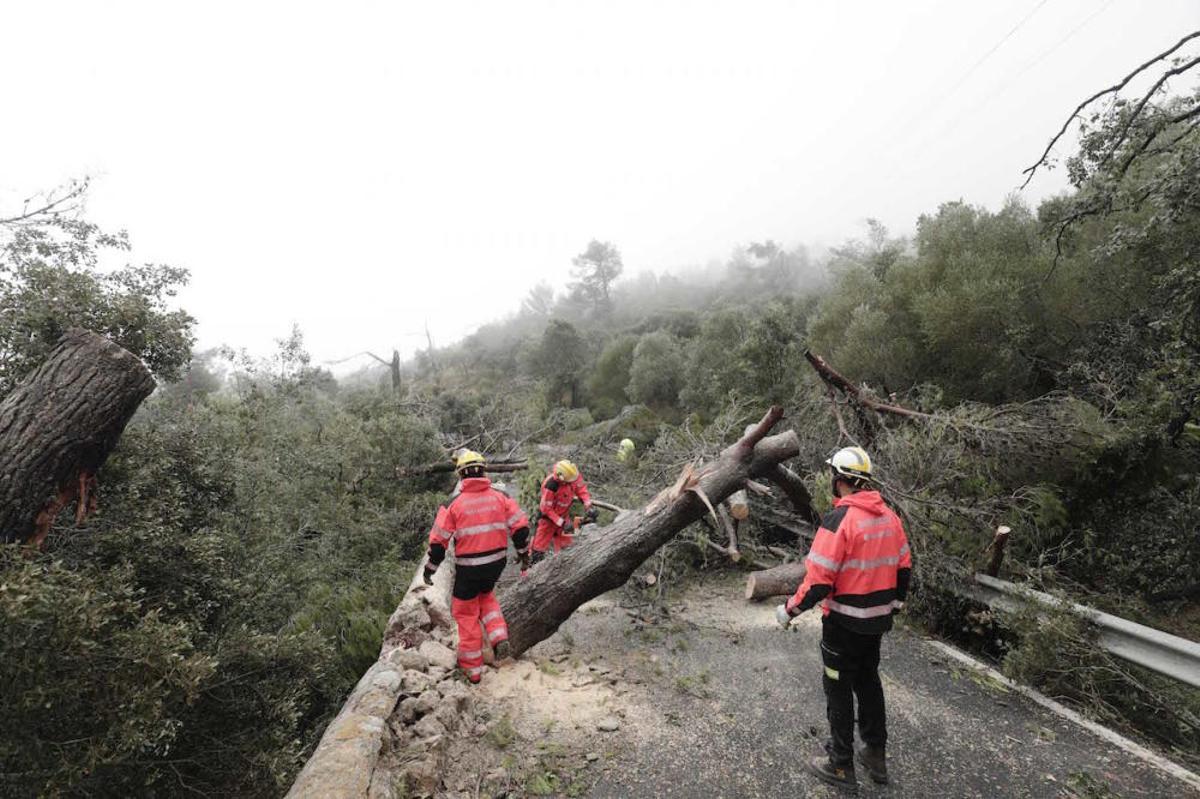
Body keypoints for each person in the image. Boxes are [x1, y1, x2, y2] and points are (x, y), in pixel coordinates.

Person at [776, 445, 912, 788]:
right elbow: (904, 567)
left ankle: (840, 764)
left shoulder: (839, 520)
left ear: (839, 480)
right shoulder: (889, 517)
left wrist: (789, 610)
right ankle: (875, 756)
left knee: (837, 689)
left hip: (842, 625)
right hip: (876, 624)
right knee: (868, 682)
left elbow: (819, 579)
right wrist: (894, 606)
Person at [423, 450, 531, 684]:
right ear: (484, 471)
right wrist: (524, 556)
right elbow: (521, 528)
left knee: (465, 612)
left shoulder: (452, 504)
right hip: (496, 563)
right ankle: (499, 636)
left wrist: (430, 569)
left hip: (469, 567)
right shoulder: (501, 496)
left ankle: (472, 669)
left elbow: (438, 543)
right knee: (487, 597)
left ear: (461, 474)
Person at [529, 459, 596, 565]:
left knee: (567, 546)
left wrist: (588, 505)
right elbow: (546, 509)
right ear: (561, 477)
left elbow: (581, 489)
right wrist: (561, 522)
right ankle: (533, 568)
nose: (572, 482)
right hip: (548, 519)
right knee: (538, 548)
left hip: (564, 515)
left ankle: (564, 566)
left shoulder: (572, 474)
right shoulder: (551, 485)